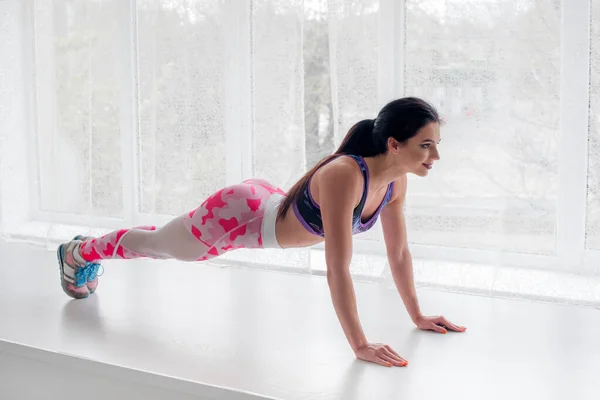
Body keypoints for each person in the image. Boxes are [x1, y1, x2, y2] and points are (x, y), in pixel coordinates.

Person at [56, 97, 466, 368]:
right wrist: (359, 344)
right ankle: (78, 253)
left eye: (437, 144)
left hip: (265, 204)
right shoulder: (346, 175)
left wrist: (417, 315)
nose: (436, 155)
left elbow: (398, 254)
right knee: (160, 246)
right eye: (426, 145)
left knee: (164, 238)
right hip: (239, 217)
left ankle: (86, 250)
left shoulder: (397, 181)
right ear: (394, 144)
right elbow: (338, 268)